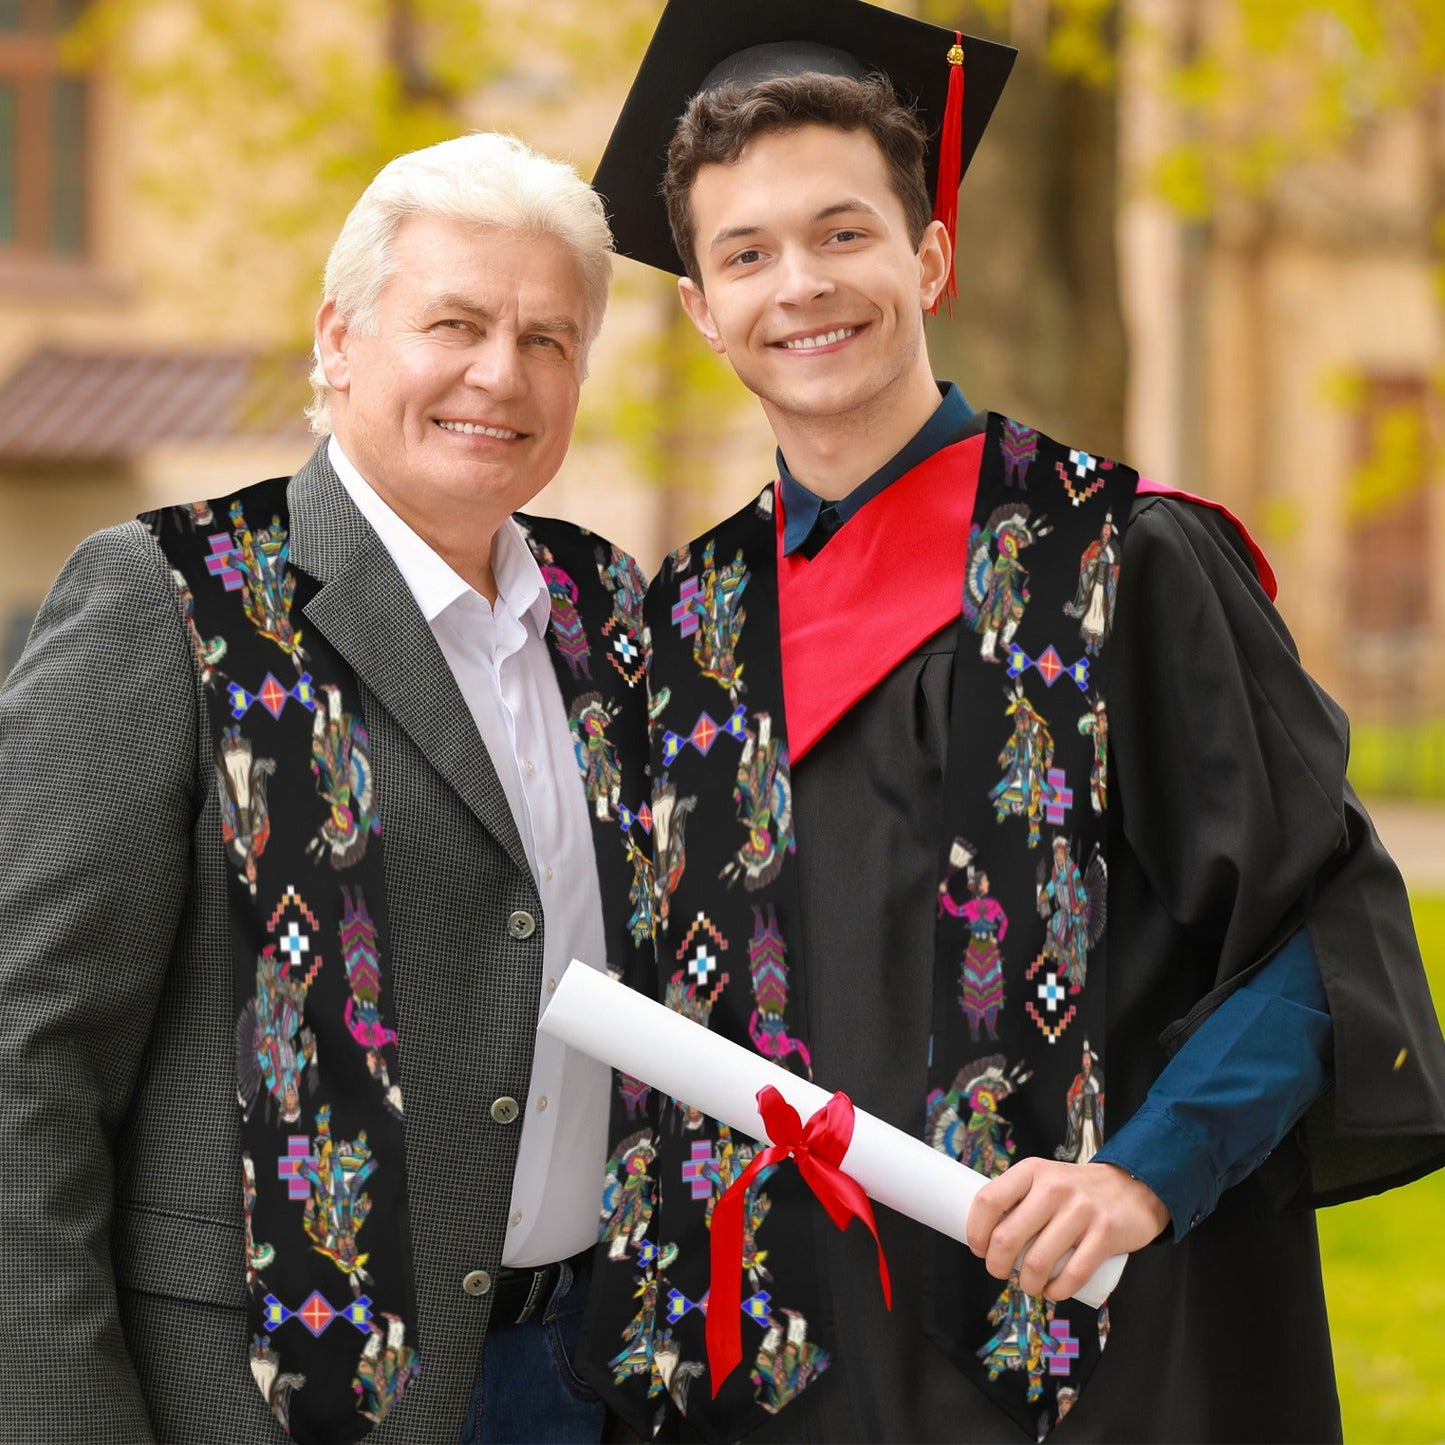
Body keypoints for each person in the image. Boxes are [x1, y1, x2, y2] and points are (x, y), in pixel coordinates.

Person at [575, 2, 1445, 1441]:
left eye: (843, 233)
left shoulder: (1123, 561)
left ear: (928, 254)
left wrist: (1144, 1172)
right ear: (699, 307)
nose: (800, 285)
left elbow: (1318, 930)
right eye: (745, 254)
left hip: (1088, 1347)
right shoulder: (683, 628)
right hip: (782, 1373)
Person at [0, 132, 652, 1444]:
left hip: (583, 1381)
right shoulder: (173, 598)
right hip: (264, 1400)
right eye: (454, 322)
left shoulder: (613, 614)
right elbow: (26, 1055)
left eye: (546, 338)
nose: (498, 373)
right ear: (339, 339)